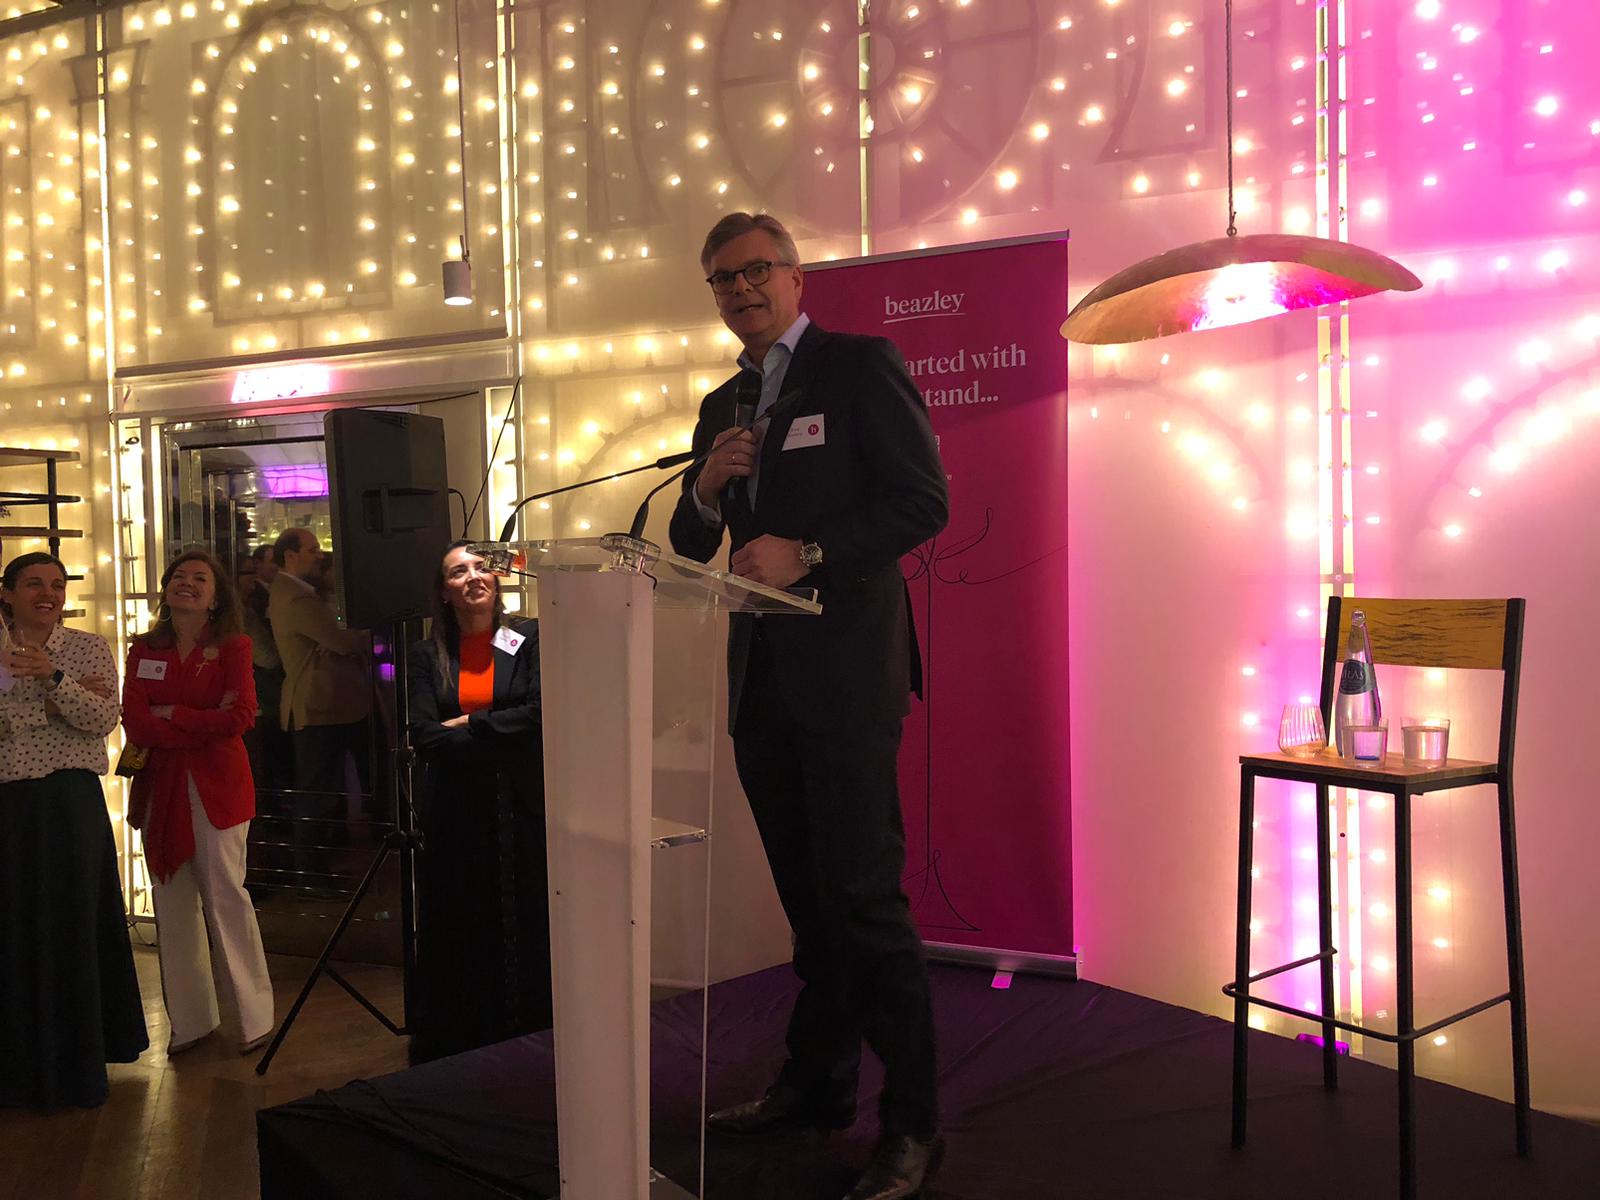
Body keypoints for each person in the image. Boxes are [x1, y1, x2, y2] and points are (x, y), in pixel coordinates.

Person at [667, 212, 950, 1200]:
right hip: (761, 685)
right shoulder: (724, 403)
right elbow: (687, 544)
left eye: (756, 271)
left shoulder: (858, 366)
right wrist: (706, 488)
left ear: (795, 277)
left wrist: (811, 552)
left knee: (864, 900)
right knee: (809, 905)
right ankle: (820, 1084)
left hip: (846, 678)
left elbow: (922, 501)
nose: (740, 290)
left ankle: (913, 1123)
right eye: (723, 279)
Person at [0, 552, 148, 1107]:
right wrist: (53, 708)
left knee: (72, 924)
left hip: (70, 805)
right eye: (34, 584)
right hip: (9, 804)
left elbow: (103, 719)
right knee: (13, 927)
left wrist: (55, 679)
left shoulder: (87, 647)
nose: (48, 594)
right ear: (7, 593)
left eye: (57, 585)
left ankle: (76, 1064)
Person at [122, 549, 275, 1056]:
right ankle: (190, 1024)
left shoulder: (233, 647)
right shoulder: (143, 648)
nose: (186, 582)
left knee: (226, 898)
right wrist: (196, 720)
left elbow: (240, 717)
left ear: (215, 598)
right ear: (166, 589)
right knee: (171, 903)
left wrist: (173, 714)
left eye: (199, 578)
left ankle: (253, 1019)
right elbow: (136, 722)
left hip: (218, 790)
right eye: (179, 576)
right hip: (160, 789)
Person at [406, 541, 550, 1063]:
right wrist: (500, 730)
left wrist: (470, 722)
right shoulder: (426, 655)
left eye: (482, 566)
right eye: (458, 571)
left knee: (522, 915)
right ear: (444, 592)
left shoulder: (527, 637)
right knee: (461, 916)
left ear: (498, 578)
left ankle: (526, 1030)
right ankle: (462, 1037)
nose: (473, 576)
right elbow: (424, 734)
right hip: (455, 807)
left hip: (518, 806)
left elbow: (541, 714)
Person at [267, 527, 371, 804]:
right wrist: (361, 635)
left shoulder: (296, 591)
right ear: (290, 556)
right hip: (320, 705)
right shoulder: (298, 596)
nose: (320, 556)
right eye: (312, 550)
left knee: (323, 788)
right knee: (321, 792)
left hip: (321, 704)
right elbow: (343, 642)